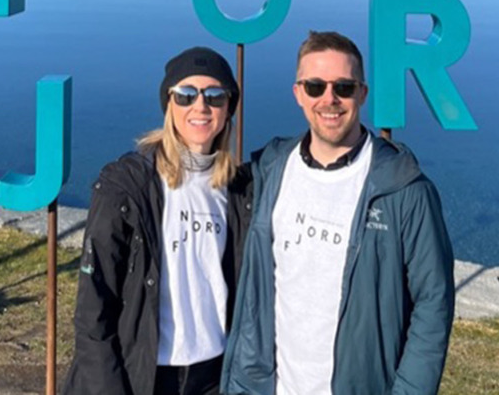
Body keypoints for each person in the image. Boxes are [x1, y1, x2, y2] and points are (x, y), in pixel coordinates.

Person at [221, 31, 455, 395]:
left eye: (343, 87)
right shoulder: (271, 169)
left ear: (362, 93)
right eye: (315, 86)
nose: (329, 99)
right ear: (298, 93)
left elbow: (433, 303)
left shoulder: (404, 189)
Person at [62, 46, 251, 395]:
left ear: (228, 108)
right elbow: (93, 306)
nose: (200, 106)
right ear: (169, 104)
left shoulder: (240, 191)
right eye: (186, 95)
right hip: (144, 375)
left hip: (215, 375)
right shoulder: (126, 187)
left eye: (214, 96)